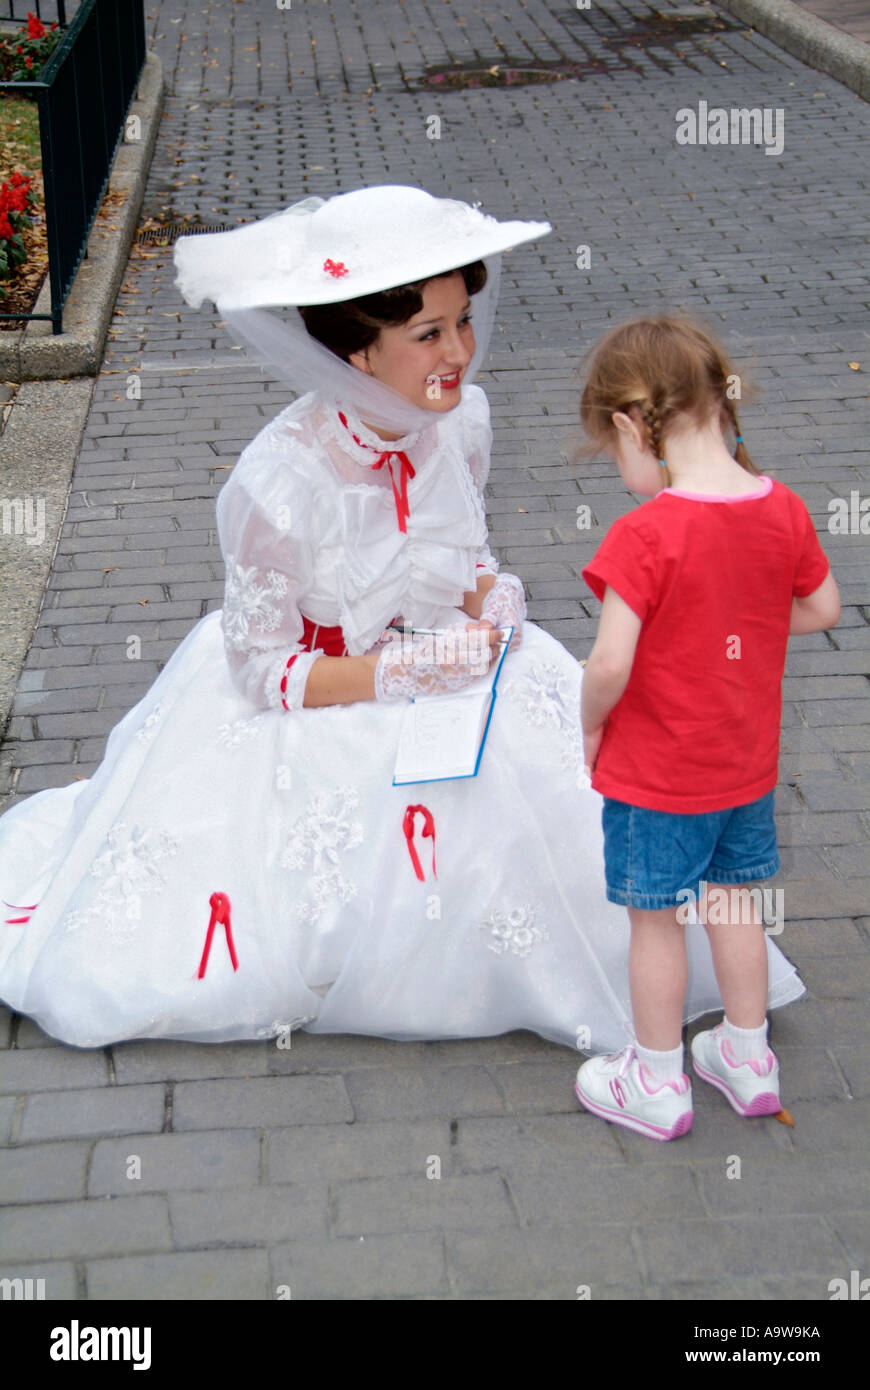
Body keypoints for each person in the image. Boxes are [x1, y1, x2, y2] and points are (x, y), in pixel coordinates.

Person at [0, 191, 806, 1051]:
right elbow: (260, 673)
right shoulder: (279, 483)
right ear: (356, 349)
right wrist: (398, 675)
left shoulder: (459, 424)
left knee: (571, 793)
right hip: (323, 704)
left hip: (453, 666)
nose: (459, 352)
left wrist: (491, 596)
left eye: (461, 321)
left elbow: (460, 555)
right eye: (429, 334)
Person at [573, 316, 840, 1140]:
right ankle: (748, 1055)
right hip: (744, 771)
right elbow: (822, 608)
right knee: (734, 903)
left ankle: (655, 1077)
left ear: (631, 425)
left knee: (656, 921)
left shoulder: (646, 534)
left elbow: (610, 663)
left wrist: (589, 723)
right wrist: (741, 618)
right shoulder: (781, 507)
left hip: (658, 779)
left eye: (614, 451)